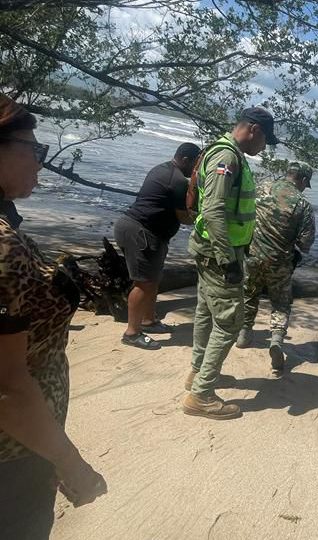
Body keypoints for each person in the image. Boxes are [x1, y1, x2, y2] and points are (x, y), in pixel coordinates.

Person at [0, 94, 107, 538]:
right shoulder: (4, 248)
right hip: (13, 453)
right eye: (33, 148)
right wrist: (69, 462)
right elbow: (6, 388)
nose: (40, 162)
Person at [183, 106, 278, 420]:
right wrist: (229, 261)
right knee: (229, 322)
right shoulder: (228, 158)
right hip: (219, 254)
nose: (264, 148)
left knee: (205, 312)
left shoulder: (225, 152)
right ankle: (202, 394)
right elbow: (213, 211)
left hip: (210, 250)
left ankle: (198, 373)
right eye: (265, 141)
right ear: (253, 130)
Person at [114, 142, 201, 350]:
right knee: (143, 283)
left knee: (153, 279)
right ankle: (132, 333)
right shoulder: (177, 180)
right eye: (196, 164)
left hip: (140, 230)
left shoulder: (162, 168)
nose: (197, 168)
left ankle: (148, 320)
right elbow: (184, 218)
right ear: (186, 160)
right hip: (141, 232)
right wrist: (202, 216)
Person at [237, 161, 316, 376]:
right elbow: (306, 244)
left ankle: (244, 334)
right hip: (280, 262)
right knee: (280, 303)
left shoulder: (262, 187)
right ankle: (277, 341)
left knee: (249, 294)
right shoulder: (302, 205)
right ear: (303, 180)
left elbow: (244, 214)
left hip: (252, 254)